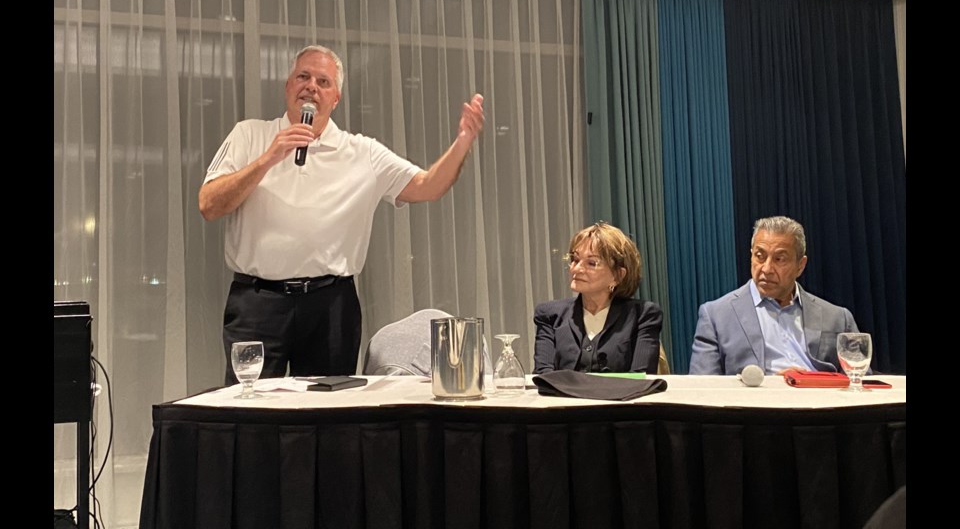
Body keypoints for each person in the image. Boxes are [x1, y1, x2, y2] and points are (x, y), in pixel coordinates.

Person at [200, 45, 484, 384]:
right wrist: (268, 158)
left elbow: (427, 185)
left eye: (323, 82)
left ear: (336, 98)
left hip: (330, 305)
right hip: (257, 303)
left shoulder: (362, 152)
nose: (311, 87)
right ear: (288, 85)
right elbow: (209, 204)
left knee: (329, 417)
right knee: (249, 414)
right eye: (303, 76)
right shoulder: (250, 134)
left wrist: (463, 142)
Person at [689, 215, 860, 375]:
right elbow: (703, 388)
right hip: (756, 404)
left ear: (800, 265)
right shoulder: (716, 317)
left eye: (779, 259)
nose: (767, 269)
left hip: (823, 402)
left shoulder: (838, 318)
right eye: (760, 256)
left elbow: (861, 382)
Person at [533, 223, 663, 374]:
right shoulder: (549, 315)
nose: (576, 269)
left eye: (591, 263)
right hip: (563, 398)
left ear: (618, 276)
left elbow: (641, 377)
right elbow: (544, 376)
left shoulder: (643, 315)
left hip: (620, 398)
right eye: (575, 259)